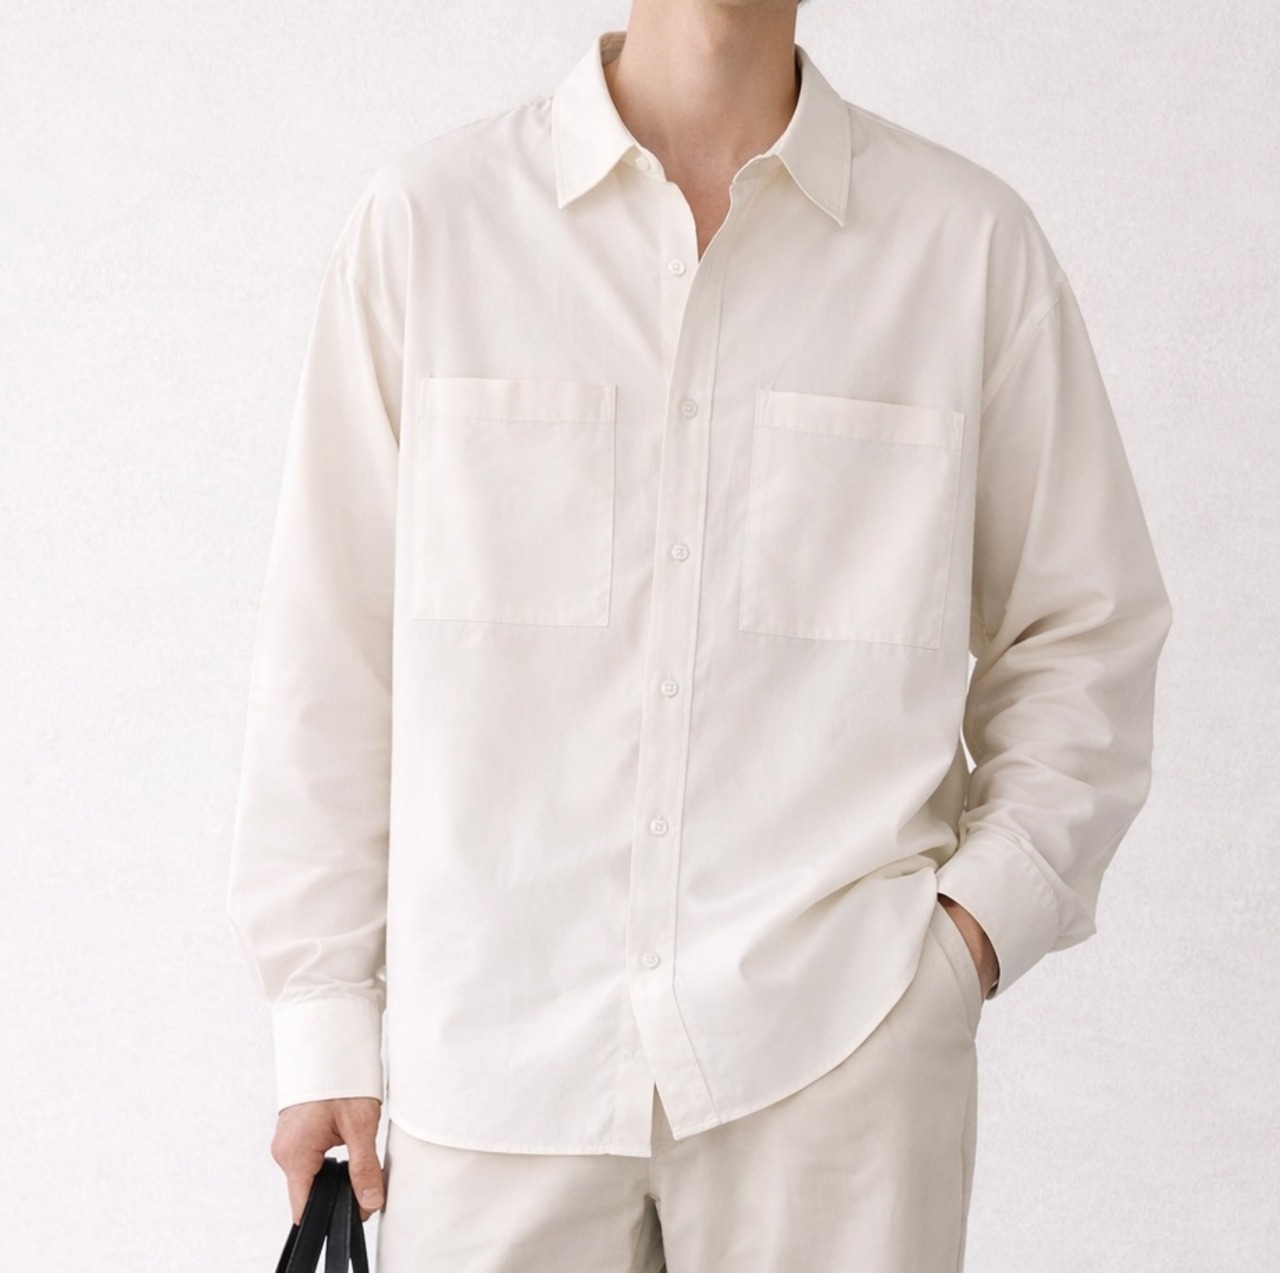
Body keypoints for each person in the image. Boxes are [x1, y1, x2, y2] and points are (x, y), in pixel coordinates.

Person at [226, 2, 1173, 1269]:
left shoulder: (964, 250)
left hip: (837, 1063)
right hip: (495, 1073)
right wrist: (324, 1018)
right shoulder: (430, 230)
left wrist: (965, 941)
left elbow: (1082, 629)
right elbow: (330, 653)